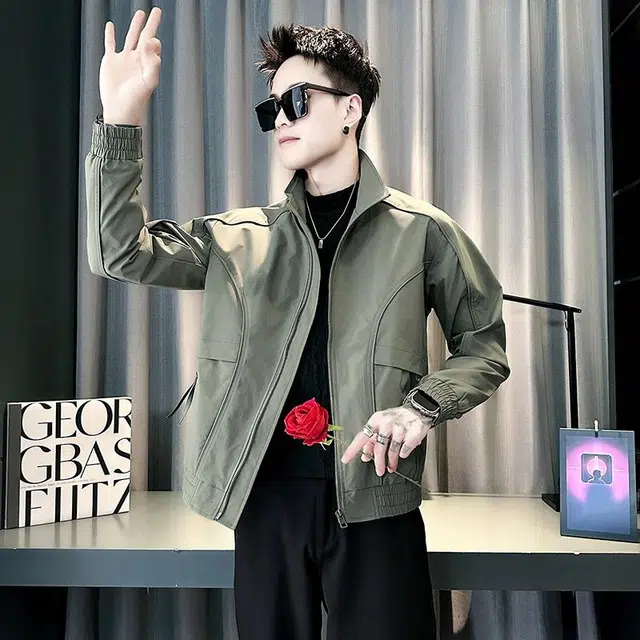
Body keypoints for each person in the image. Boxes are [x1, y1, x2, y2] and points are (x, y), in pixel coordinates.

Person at [86, 7, 510, 639]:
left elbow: (483, 347)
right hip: (265, 496)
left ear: (351, 109)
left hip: (376, 494)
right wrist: (121, 121)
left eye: (297, 100)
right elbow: (119, 252)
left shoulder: (423, 232)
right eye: (272, 109)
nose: (280, 119)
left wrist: (420, 408)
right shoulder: (238, 238)